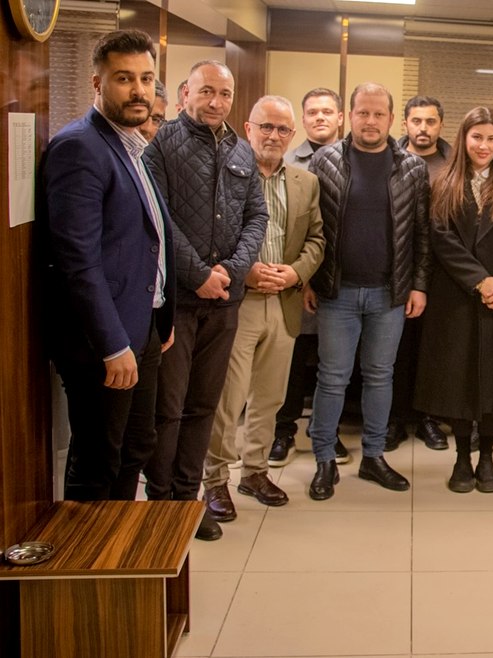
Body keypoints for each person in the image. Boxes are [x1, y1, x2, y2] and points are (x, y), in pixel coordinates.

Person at [41, 29, 174, 502]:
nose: (139, 90)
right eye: (124, 78)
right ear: (97, 83)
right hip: (105, 341)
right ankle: (88, 550)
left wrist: (159, 319)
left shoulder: (130, 145)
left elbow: (145, 239)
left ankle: (120, 543)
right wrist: (113, 344)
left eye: (146, 78)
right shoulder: (81, 146)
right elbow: (77, 261)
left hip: (143, 329)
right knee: (99, 459)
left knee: (135, 447)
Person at [144, 60, 268, 541]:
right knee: (169, 409)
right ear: (185, 94)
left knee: (203, 407)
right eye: (207, 91)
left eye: (225, 93)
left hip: (225, 301)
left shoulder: (240, 148)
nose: (217, 102)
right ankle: (162, 506)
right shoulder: (161, 144)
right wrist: (198, 275)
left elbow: (257, 216)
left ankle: (189, 500)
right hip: (178, 300)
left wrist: (232, 271)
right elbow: (158, 218)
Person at [200, 96, 325, 518]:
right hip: (239, 302)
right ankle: (215, 479)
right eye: (266, 127)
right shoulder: (224, 173)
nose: (274, 135)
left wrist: (295, 273)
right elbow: (208, 235)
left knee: (270, 397)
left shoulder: (306, 182)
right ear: (248, 129)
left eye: (282, 129)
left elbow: (317, 239)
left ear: (293, 135)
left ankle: (254, 472)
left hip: (284, 302)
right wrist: (244, 271)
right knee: (229, 398)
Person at [305, 82, 430, 501]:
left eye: (379, 114)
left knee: (380, 376)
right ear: (350, 116)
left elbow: (422, 234)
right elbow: (310, 226)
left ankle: (373, 456)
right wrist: (309, 279)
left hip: (389, 293)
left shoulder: (412, 168)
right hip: (336, 292)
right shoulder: (325, 161)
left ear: (392, 119)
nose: (371, 121)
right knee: (332, 378)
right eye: (363, 112)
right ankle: (324, 459)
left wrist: (418, 286)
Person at [415, 106, 493, 494]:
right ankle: (462, 458)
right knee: (460, 382)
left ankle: (487, 456)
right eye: (476, 137)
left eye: (491, 138)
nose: (483, 145)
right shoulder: (444, 181)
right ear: (463, 139)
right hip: (456, 298)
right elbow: (440, 238)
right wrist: (480, 280)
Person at [272, 87, 348, 467]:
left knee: (333, 364)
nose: (320, 117)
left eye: (327, 111)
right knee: (292, 360)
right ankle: (283, 431)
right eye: (313, 112)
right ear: (303, 120)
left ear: (340, 118)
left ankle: (327, 431)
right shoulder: (286, 162)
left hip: (341, 281)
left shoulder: (355, 161)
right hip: (297, 281)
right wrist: (302, 278)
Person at [388, 94, 454, 452]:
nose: (423, 128)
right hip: (397, 268)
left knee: (433, 350)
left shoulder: (453, 164)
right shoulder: (390, 159)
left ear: (440, 125)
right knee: (396, 349)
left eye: (430, 121)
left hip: (442, 271)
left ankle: (428, 418)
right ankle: (396, 419)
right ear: (405, 124)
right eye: (417, 121)